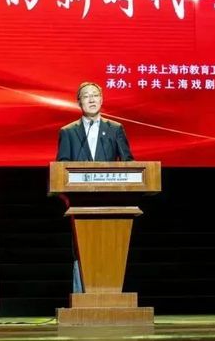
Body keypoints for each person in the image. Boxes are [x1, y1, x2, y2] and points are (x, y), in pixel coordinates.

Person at [56, 81, 134, 293]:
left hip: (112, 202)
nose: (91, 99)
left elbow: (128, 163)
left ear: (101, 99)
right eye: (86, 96)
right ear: (79, 102)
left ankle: (112, 293)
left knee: (111, 246)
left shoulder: (115, 129)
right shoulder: (68, 132)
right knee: (83, 249)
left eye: (95, 95)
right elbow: (61, 168)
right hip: (80, 202)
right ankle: (83, 296)